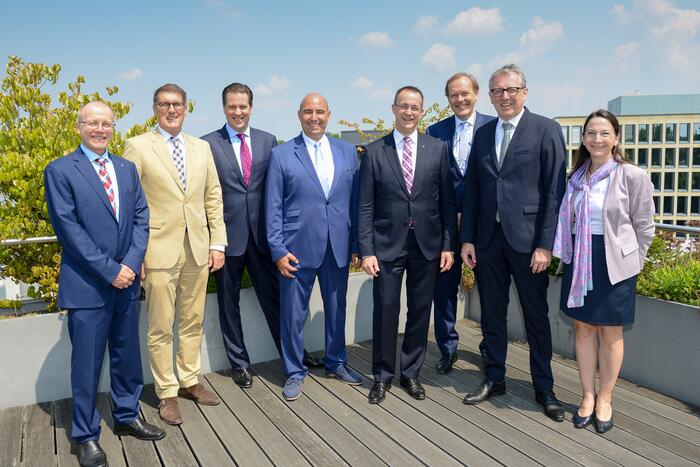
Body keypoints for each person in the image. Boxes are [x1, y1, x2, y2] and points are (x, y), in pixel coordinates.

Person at [44, 102, 164, 467]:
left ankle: (127, 416)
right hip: (88, 286)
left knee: (127, 357)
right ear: (79, 127)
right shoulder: (60, 171)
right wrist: (110, 270)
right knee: (87, 365)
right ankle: (85, 435)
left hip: (126, 283)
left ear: (114, 128)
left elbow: (142, 218)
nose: (100, 129)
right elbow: (69, 231)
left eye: (106, 124)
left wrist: (130, 263)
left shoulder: (126, 169)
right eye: (92, 123)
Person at [460, 64, 567, 421]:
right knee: (492, 314)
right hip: (488, 242)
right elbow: (473, 190)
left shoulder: (546, 129)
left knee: (536, 317)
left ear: (524, 92)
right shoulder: (483, 133)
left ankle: (544, 387)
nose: (504, 96)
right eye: (497, 91)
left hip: (529, 244)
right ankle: (494, 377)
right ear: (489, 96)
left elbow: (554, 192)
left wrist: (545, 245)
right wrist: (468, 239)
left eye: (511, 90)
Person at [201, 83, 322, 390]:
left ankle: (294, 354)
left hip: (264, 238)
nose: (238, 112)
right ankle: (239, 364)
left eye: (243, 106)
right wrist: (213, 240)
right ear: (224, 108)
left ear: (251, 108)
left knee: (277, 299)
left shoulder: (268, 141)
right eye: (232, 106)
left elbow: (278, 190)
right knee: (228, 304)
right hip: (226, 239)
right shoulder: (207, 144)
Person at [124, 84, 227, 425]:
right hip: (157, 250)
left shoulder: (201, 148)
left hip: (197, 248)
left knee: (193, 320)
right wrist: (134, 253)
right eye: (165, 104)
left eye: (177, 104)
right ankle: (166, 392)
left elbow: (213, 196)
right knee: (160, 325)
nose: (171, 110)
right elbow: (129, 203)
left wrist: (217, 243)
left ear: (186, 108)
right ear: (155, 108)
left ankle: (189, 380)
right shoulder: (138, 146)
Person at [553, 109, 654, 433]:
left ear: (616, 138)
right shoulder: (575, 178)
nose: (597, 139)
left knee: (611, 333)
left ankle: (605, 398)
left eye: (604, 133)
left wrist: (634, 262)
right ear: (583, 139)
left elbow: (644, 226)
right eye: (591, 133)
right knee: (582, 328)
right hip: (580, 260)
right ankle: (587, 395)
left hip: (615, 264)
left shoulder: (631, 175)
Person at [359, 86, 457, 404]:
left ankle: (411, 372)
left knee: (420, 311)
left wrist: (448, 245)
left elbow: (447, 201)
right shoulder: (375, 151)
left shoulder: (438, 149)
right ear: (394, 108)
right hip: (387, 245)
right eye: (404, 106)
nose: (409, 112)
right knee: (386, 309)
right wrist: (367, 251)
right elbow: (365, 206)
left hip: (427, 245)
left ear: (422, 111)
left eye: (415, 107)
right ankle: (382, 375)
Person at [265, 93, 363, 401]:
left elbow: (356, 202)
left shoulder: (348, 152)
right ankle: (294, 371)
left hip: (338, 245)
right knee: (292, 315)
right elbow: (272, 206)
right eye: (308, 111)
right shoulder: (281, 154)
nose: (314, 117)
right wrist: (277, 249)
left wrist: (357, 244)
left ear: (329, 114)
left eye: (320, 111)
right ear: (299, 115)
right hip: (295, 248)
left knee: (337, 310)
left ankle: (337, 363)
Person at [427, 72, 495, 374]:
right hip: (447, 225)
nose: (460, 99)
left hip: (485, 225)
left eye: (465, 93)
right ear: (448, 98)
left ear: (476, 94)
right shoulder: (435, 131)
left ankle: (490, 348)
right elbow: (433, 178)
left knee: (490, 291)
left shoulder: (494, 127)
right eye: (453, 94)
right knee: (444, 290)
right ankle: (447, 348)